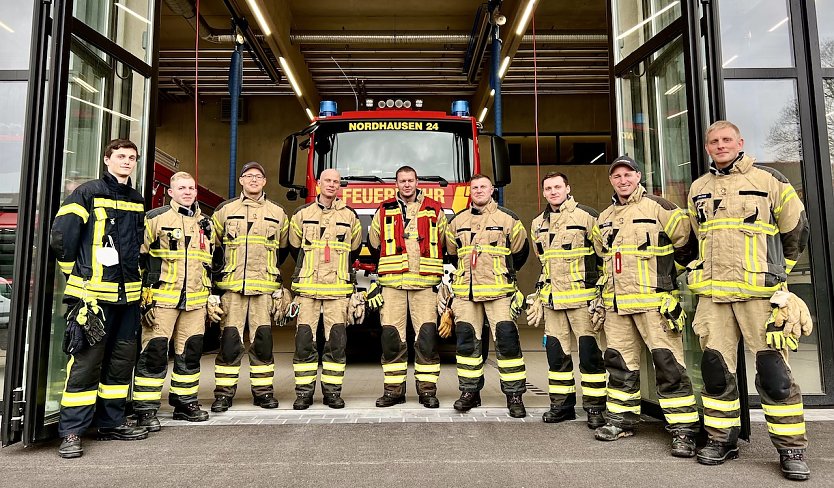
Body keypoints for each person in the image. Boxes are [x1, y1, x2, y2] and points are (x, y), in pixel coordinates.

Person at [688, 121, 811, 481]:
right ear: (708, 147)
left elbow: (796, 231)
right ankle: (721, 439)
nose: (721, 145)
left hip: (760, 297)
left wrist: (776, 276)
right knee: (715, 373)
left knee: (776, 375)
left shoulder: (770, 180)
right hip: (714, 296)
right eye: (714, 141)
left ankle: (791, 448)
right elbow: (701, 236)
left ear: (740, 142)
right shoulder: (698, 188)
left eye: (727, 140)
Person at [591, 156, 700, 458]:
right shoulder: (604, 218)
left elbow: (688, 245)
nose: (622, 180)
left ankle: (683, 431)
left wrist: (667, 280)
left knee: (669, 365)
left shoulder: (661, 208)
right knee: (619, 364)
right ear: (611, 181)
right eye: (617, 176)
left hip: (654, 303)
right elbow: (603, 255)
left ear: (638, 176)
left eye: (628, 174)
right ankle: (620, 421)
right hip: (617, 306)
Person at [51, 138, 149, 458]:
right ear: (107, 159)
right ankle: (72, 432)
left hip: (128, 299)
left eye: (131, 157)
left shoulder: (137, 199)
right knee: (85, 365)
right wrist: (75, 276)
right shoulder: (87, 192)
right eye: (120, 156)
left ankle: (111, 423)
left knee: (120, 365)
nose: (127, 161)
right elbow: (62, 236)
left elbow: (139, 248)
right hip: (92, 298)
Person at [132, 172, 214, 431]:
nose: (187, 192)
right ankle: (145, 409)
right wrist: (144, 297)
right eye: (181, 188)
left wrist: (211, 296)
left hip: (195, 301)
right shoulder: (155, 219)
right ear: (170, 192)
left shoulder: (206, 224)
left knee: (190, 353)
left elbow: (213, 262)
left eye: (191, 188)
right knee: (154, 353)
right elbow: (138, 258)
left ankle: (185, 402)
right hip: (162, 299)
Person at [445, 174, 530, 418]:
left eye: (483, 186)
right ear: (469, 191)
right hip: (466, 295)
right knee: (467, 344)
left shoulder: (508, 218)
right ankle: (470, 392)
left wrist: (501, 274)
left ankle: (514, 395)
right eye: (474, 187)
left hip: (498, 292)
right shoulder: (457, 221)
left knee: (507, 343)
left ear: (492, 189)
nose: (479, 190)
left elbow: (520, 252)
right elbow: (452, 253)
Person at [527, 172, 606, 428]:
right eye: (548, 188)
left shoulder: (587, 216)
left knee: (589, 355)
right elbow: (543, 262)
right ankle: (562, 406)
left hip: (583, 301)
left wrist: (601, 293)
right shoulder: (537, 223)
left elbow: (603, 255)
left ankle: (595, 408)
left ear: (567, 188)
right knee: (556, 356)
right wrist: (539, 295)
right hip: (553, 303)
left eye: (557, 187)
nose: (553, 191)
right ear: (543, 192)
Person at [210, 161, 289, 412]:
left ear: (265, 182)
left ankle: (263, 393)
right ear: (241, 181)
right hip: (232, 289)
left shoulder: (278, 213)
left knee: (262, 343)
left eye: (258, 176)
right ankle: (223, 394)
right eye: (248, 176)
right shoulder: (224, 210)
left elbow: (284, 248)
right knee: (230, 343)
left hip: (263, 290)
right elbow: (213, 248)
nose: (254, 180)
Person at [367, 166, 447, 408]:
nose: (407, 185)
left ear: (417, 181)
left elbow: (444, 244)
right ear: (396, 184)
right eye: (402, 181)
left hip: (424, 286)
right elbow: (374, 245)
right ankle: (393, 391)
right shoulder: (384, 209)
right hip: (393, 285)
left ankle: (427, 391)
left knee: (427, 339)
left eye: (410, 180)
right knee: (392, 338)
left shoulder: (434, 209)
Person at [288, 168, 362, 409]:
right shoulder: (301, 214)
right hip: (308, 290)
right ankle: (303, 394)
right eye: (327, 181)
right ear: (318, 183)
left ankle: (332, 393)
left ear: (340, 186)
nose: (331, 185)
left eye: (336, 182)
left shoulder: (350, 216)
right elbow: (293, 249)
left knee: (336, 344)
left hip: (338, 291)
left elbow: (354, 250)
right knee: (304, 342)